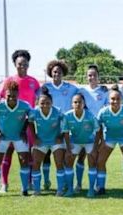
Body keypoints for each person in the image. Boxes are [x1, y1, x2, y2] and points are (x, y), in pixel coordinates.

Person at [0, 50, 40, 193]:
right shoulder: (9, 81)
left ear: (28, 64)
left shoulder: (34, 82)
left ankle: (29, 183)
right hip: (9, 125)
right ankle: (4, 184)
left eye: (25, 64)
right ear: (15, 64)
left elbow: (41, 97)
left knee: (28, 155)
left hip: (27, 124)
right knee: (7, 153)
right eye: (20, 64)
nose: (23, 66)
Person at [0, 81, 31, 198]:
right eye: (9, 96)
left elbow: (30, 116)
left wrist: (23, 130)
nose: (11, 98)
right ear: (5, 95)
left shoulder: (25, 105)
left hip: (18, 136)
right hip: (3, 136)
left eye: (14, 96)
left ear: (18, 95)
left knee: (24, 161)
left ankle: (24, 190)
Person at [41, 60, 78, 191]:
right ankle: (46, 181)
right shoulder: (45, 88)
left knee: (62, 156)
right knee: (46, 155)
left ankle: (66, 183)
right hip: (47, 126)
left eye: (59, 72)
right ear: (51, 73)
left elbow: (83, 94)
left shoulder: (71, 88)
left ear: (63, 73)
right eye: (54, 71)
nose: (57, 74)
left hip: (64, 127)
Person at [96, 85, 123, 196]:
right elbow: (98, 125)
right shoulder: (103, 112)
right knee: (100, 162)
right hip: (109, 137)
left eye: (117, 99)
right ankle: (101, 187)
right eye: (112, 99)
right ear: (109, 100)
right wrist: (101, 140)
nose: (115, 101)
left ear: (121, 100)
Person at [75, 64, 109, 192]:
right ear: (86, 77)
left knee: (95, 157)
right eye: (89, 75)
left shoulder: (104, 91)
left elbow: (107, 108)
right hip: (84, 128)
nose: (92, 77)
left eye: (94, 75)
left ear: (98, 77)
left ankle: (95, 185)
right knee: (81, 156)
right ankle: (78, 184)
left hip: (99, 129)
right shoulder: (81, 91)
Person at [28, 87, 65, 196]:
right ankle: (37, 190)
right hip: (41, 141)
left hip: (55, 141)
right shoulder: (34, 112)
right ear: (38, 103)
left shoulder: (58, 111)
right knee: (36, 164)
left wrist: (61, 135)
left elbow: (65, 123)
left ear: (52, 103)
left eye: (48, 103)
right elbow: (29, 122)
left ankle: (60, 189)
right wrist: (34, 138)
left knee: (59, 163)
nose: (45, 105)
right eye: (42, 103)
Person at [62, 93, 100, 197]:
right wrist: (68, 148)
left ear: (84, 104)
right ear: (71, 104)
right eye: (75, 102)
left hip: (89, 141)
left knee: (92, 162)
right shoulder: (67, 116)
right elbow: (65, 132)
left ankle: (91, 190)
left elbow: (98, 131)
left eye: (80, 102)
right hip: (75, 141)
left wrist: (95, 148)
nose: (77, 104)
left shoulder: (90, 116)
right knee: (69, 162)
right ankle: (70, 189)